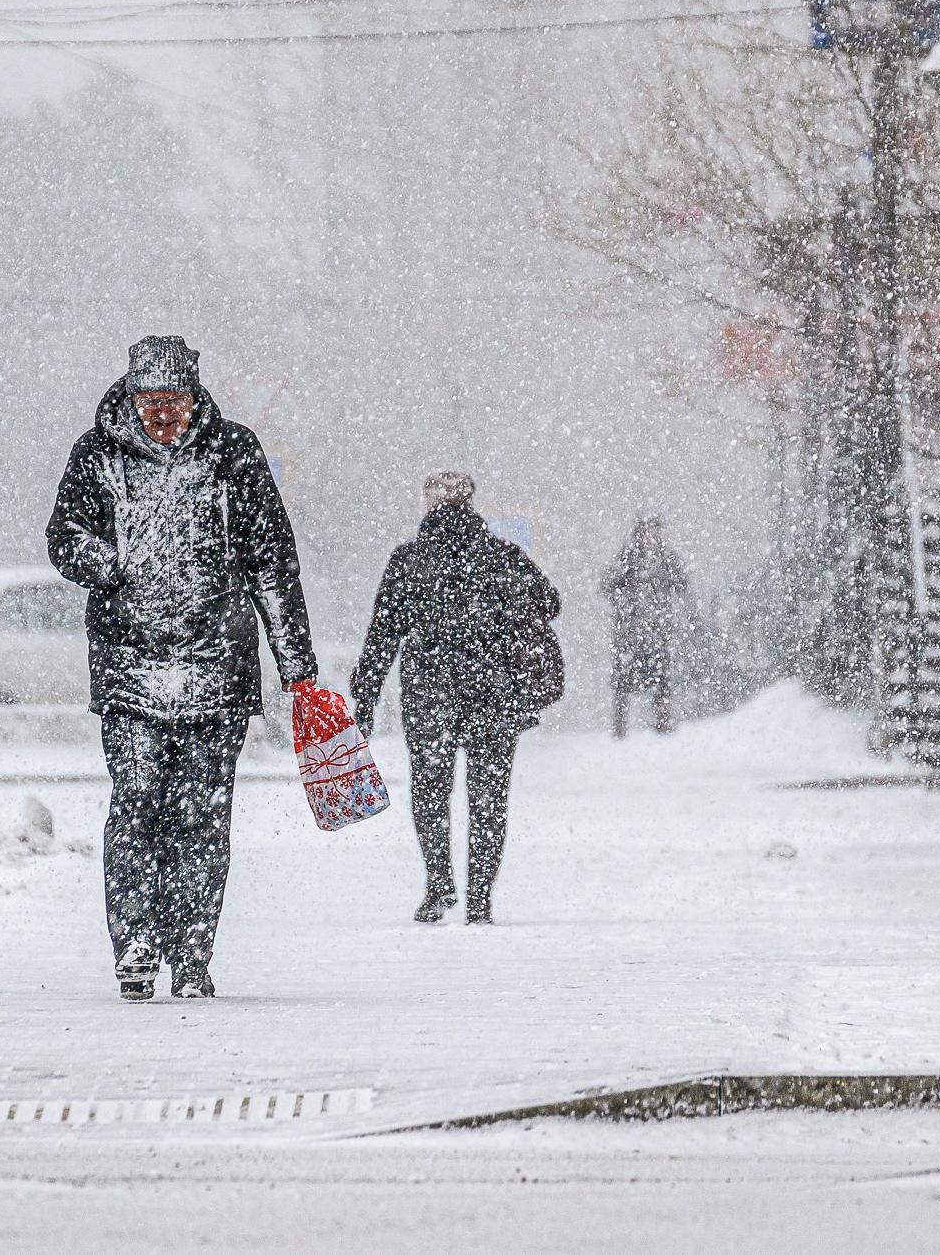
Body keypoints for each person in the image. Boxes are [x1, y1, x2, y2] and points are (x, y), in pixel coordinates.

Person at [46, 335, 317, 1002]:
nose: (163, 414)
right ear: (132, 397)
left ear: (195, 398)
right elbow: (64, 534)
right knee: (136, 808)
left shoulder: (234, 453)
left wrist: (296, 666)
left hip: (215, 674)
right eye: (151, 401)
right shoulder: (97, 453)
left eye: (174, 401)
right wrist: (105, 564)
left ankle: (192, 952)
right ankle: (135, 944)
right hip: (129, 670)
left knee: (202, 817)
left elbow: (271, 563)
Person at [351, 472, 560, 925]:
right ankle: (480, 897)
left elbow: (382, 636)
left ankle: (439, 883)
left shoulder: (409, 560)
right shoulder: (503, 556)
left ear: (428, 505)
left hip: (430, 694)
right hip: (494, 694)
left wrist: (364, 698)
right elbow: (551, 602)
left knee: (430, 792)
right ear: (471, 503)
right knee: (489, 798)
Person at [603, 515, 688, 739]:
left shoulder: (665, 559)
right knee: (623, 684)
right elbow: (608, 584)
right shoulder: (628, 558)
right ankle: (619, 730)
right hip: (629, 634)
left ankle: (663, 724)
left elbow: (681, 583)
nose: (649, 537)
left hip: (657, 633)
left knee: (661, 680)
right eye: (646, 532)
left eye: (654, 532)